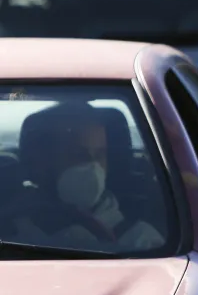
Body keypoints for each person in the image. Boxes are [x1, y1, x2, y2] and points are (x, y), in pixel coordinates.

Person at [9, 102, 166, 251]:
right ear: (41, 164)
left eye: (100, 154)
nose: (93, 164)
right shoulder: (12, 233)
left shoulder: (142, 241)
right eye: (78, 154)